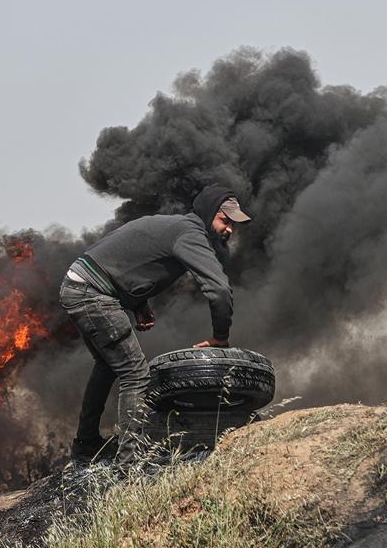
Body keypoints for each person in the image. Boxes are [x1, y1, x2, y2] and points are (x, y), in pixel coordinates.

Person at [59, 183, 251, 464]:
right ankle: (128, 464)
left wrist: (138, 304)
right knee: (136, 374)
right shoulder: (190, 234)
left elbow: (131, 259)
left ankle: (86, 445)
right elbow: (219, 289)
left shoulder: (174, 226)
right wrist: (220, 337)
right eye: (225, 220)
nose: (230, 229)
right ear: (209, 213)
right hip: (92, 293)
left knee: (108, 365)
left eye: (234, 224)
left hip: (79, 284)